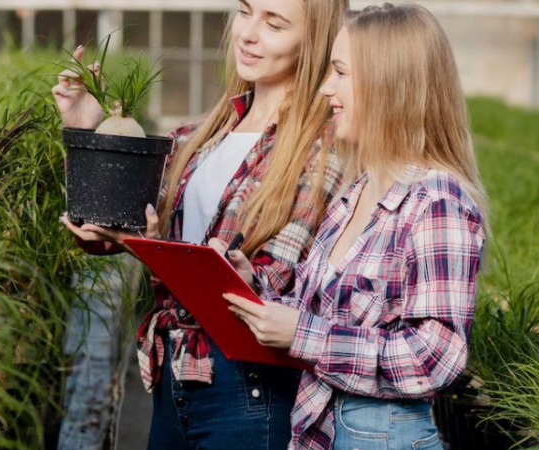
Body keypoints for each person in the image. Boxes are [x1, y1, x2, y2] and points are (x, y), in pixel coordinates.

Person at [54, 0, 348, 448]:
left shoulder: (320, 150)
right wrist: (95, 135)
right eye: (247, 11)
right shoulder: (201, 136)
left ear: (314, 42)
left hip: (248, 391)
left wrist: (149, 248)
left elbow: (264, 288)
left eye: (274, 24)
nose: (248, 34)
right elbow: (124, 220)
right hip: (175, 376)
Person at [222, 4, 489, 449]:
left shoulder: (438, 202)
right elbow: (324, 316)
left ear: (389, 85)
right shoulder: (357, 192)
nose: (326, 88)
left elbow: (436, 358)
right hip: (327, 427)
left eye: (341, 72)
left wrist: (303, 336)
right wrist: (256, 292)